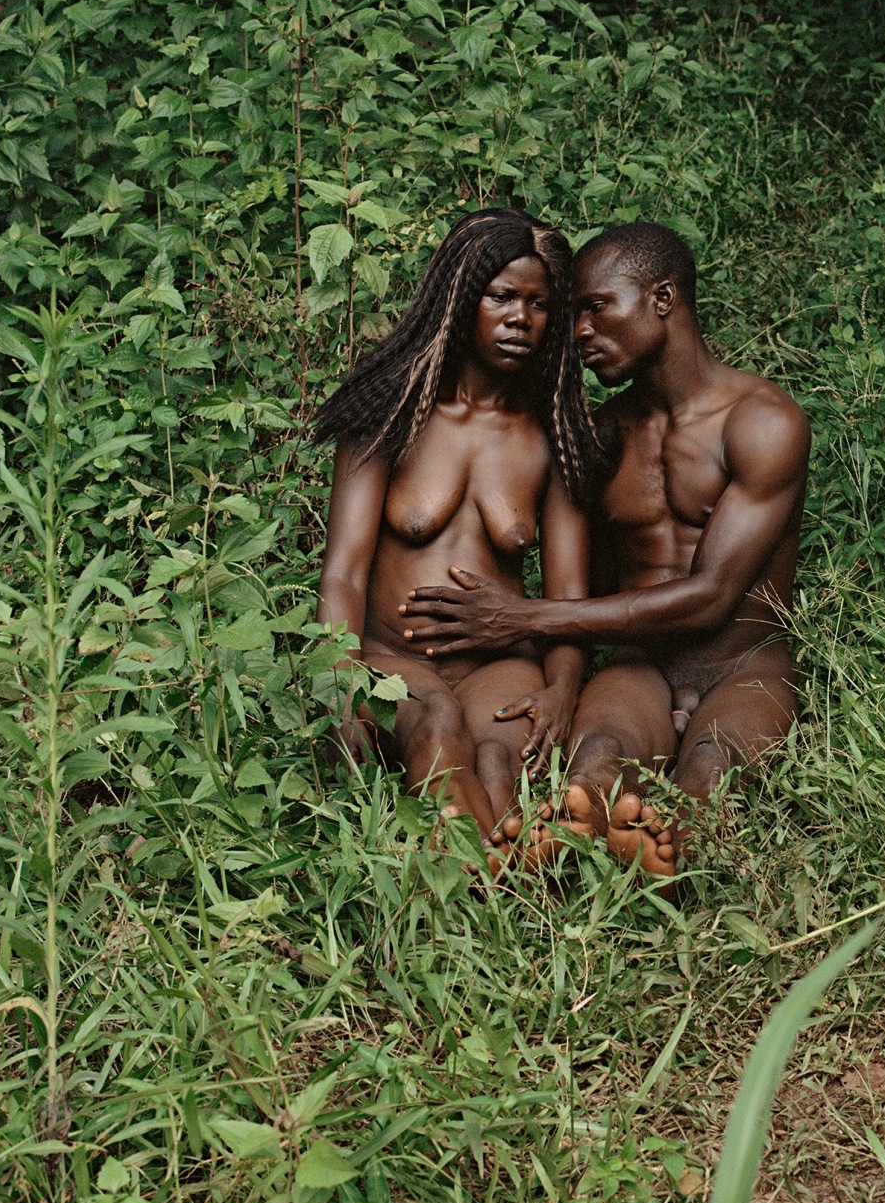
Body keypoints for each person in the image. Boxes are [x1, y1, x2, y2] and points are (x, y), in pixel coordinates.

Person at [398, 221, 810, 876]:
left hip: (740, 665)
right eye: (574, 317)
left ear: (662, 300)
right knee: (593, 761)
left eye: (595, 309)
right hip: (637, 666)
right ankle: (562, 840)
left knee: (709, 769)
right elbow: (583, 586)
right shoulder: (596, 437)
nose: (578, 332)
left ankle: (666, 850)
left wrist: (523, 617)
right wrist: (559, 668)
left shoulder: (762, 421)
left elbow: (710, 598)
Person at [313, 208, 607, 853]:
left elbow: (569, 595)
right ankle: (482, 874)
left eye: (539, 304)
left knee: (502, 759)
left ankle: (495, 873)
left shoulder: (553, 435)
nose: (520, 318)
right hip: (392, 658)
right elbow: (344, 572)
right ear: (460, 296)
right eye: (501, 296)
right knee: (439, 726)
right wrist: (340, 680)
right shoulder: (393, 412)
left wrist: (561, 687)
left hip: (500, 665)